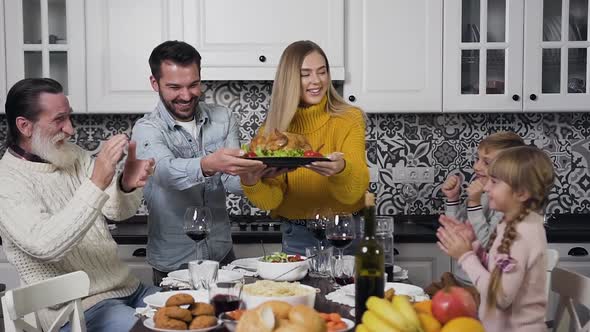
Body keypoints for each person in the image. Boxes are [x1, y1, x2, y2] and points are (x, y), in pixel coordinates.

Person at [0, 78, 158, 332]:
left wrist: (126, 184)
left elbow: (116, 211)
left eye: (69, 117)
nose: (71, 129)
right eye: (59, 120)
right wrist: (97, 182)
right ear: (25, 126)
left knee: (198, 313)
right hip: (77, 309)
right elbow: (46, 246)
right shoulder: (6, 181)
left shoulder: (73, 155)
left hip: (130, 289)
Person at [131, 40, 265, 285]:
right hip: (173, 262)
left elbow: (231, 183)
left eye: (194, 85)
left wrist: (254, 175)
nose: (186, 95)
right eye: (174, 87)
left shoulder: (223, 118)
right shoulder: (146, 129)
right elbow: (164, 173)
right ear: (155, 83)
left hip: (222, 255)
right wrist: (209, 164)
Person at [240, 40, 370, 255]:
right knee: (299, 291)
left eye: (322, 72)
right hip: (298, 235)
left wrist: (341, 169)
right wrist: (251, 181)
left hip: (346, 231)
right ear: (289, 79)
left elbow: (353, 192)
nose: (317, 81)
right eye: (305, 74)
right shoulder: (273, 130)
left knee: (348, 289)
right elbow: (271, 200)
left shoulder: (350, 118)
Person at [437, 145, 555, 332]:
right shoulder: (515, 224)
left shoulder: (522, 234)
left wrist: (465, 256)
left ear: (521, 192)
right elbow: (498, 268)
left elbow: (500, 297)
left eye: (494, 182)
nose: (487, 187)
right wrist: (474, 246)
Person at [427, 131, 526, 302]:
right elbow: (460, 232)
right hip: (465, 280)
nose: (476, 166)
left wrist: (474, 203)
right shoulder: (486, 191)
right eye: (477, 159)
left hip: (486, 289)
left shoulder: (510, 204)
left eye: (486, 162)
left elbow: (490, 244)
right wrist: (453, 198)